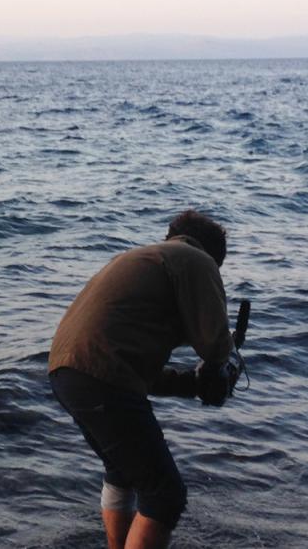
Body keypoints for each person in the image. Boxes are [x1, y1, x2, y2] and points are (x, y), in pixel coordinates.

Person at [48, 211, 240, 549]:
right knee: (165, 495)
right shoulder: (197, 259)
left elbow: (139, 374)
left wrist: (192, 384)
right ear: (214, 256)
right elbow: (215, 344)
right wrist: (219, 370)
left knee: (122, 473)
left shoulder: (144, 261)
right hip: (101, 375)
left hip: (66, 372)